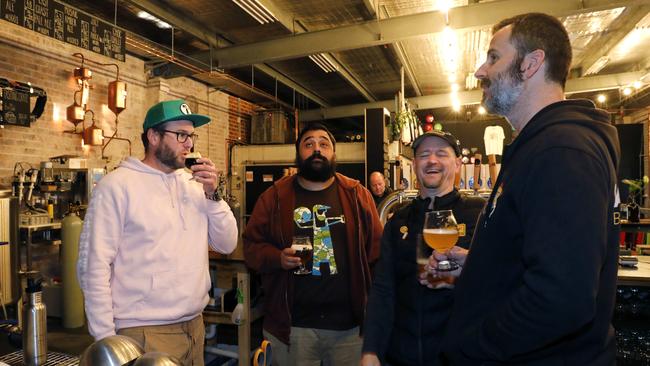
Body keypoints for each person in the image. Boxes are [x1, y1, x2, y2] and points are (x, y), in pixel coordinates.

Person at [434, 13, 621, 365]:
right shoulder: (542, 146)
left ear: (531, 63)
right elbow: (543, 253)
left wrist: (471, 347)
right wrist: (477, 265)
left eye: (493, 57)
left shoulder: (561, 151)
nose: (480, 71)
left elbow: (562, 299)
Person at [77, 99, 238, 365]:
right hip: (142, 332)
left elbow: (227, 243)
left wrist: (214, 195)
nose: (189, 144)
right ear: (153, 136)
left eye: (191, 135)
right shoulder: (116, 186)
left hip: (194, 326)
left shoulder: (194, 184)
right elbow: (93, 265)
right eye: (181, 135)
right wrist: (106, 339)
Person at [243, 123, 383, 366]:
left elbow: (377, 254)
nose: (316, 149)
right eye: (308, 144)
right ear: (298, 154)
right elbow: (251, 247)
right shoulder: (274, 196)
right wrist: (277, 258)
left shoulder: (357, 194)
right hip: (292, 330)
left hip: (349, 330)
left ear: (334, 154)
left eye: (324, 144)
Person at [361, 130, 485, 366]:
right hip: (400, 355)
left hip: (461, 355)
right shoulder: (398, 220)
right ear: (415, 164)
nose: (432, 160)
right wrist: (371, 349)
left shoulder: (479, 213)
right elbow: (383, 288)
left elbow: (504, 276)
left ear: (457, 163)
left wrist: (473, 262)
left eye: (441, 153)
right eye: (424, 154)